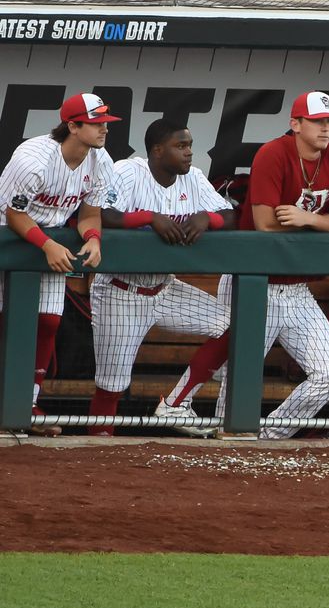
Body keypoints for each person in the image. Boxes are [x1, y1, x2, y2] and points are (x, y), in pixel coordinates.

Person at [160, 92, 329, 440]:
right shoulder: (273, 153)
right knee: (241, 375)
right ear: (295, 124)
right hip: (254, 283)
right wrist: (316, 223)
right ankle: (231, 440)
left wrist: (305, 218)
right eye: (317, 121)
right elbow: (265, 223)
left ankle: (269, 436)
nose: (326, 128)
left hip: (297, 289)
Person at [90, 118, 235, 437]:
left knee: (231, 326)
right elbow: (100, 213)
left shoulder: (193, 178)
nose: (189, 153)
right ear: (157, 151)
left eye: (190, 146)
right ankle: (95, 448)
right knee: (111, 386)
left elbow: (230, 214)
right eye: (180, 146)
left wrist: (206, 218)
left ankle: (175, 403)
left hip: (165, 289)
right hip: (121, 292)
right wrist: (150, 218)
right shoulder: (129, 171)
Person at [0, 92, 115, 437]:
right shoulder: (34, 158)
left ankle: (26, 401)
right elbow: (13, 213)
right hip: (6, 234)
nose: (103, 130)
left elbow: (89, 211)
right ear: (72, 126)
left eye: (105, 123)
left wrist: (93, 236)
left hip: (45, 240)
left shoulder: (100, 160)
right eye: (95, 124)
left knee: (49, 321)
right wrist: (48, 244)